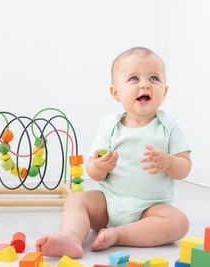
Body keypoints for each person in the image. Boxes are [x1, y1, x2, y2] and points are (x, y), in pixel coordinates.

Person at [35, 47, 192, 258]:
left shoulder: (169, 126)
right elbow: (93, 171)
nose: (145, 84)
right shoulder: (109, 126)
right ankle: (71, 238)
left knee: (179, 223)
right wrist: (99, 167)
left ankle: (118, 235)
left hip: (150, 209)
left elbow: (184, 167)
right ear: (116, 93)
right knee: (76, 200)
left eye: (154, 78)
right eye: (134, 78)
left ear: (164, 91)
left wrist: (169, 162)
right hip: (108, 203)